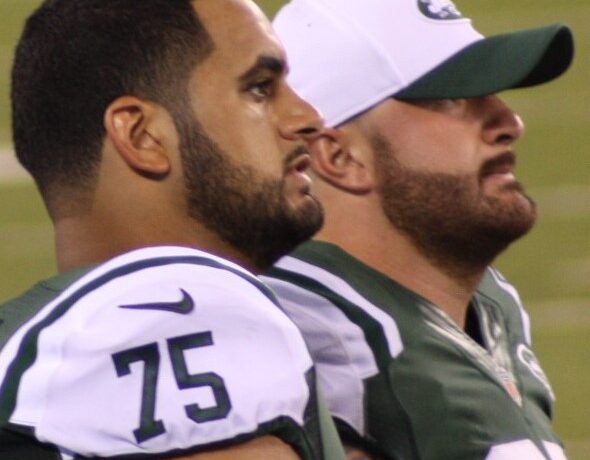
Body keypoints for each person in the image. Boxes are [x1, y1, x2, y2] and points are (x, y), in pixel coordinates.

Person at [0, 0, 347, 458]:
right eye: (260, 89)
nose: (308, 117)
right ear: (142, 136)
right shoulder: (188, 311)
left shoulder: (37, 343)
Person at [262, 0, 575, 459]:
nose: (510, 124)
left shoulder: (493, 304)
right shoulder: (289, 328)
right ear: (340, 157)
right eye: (449, 99)